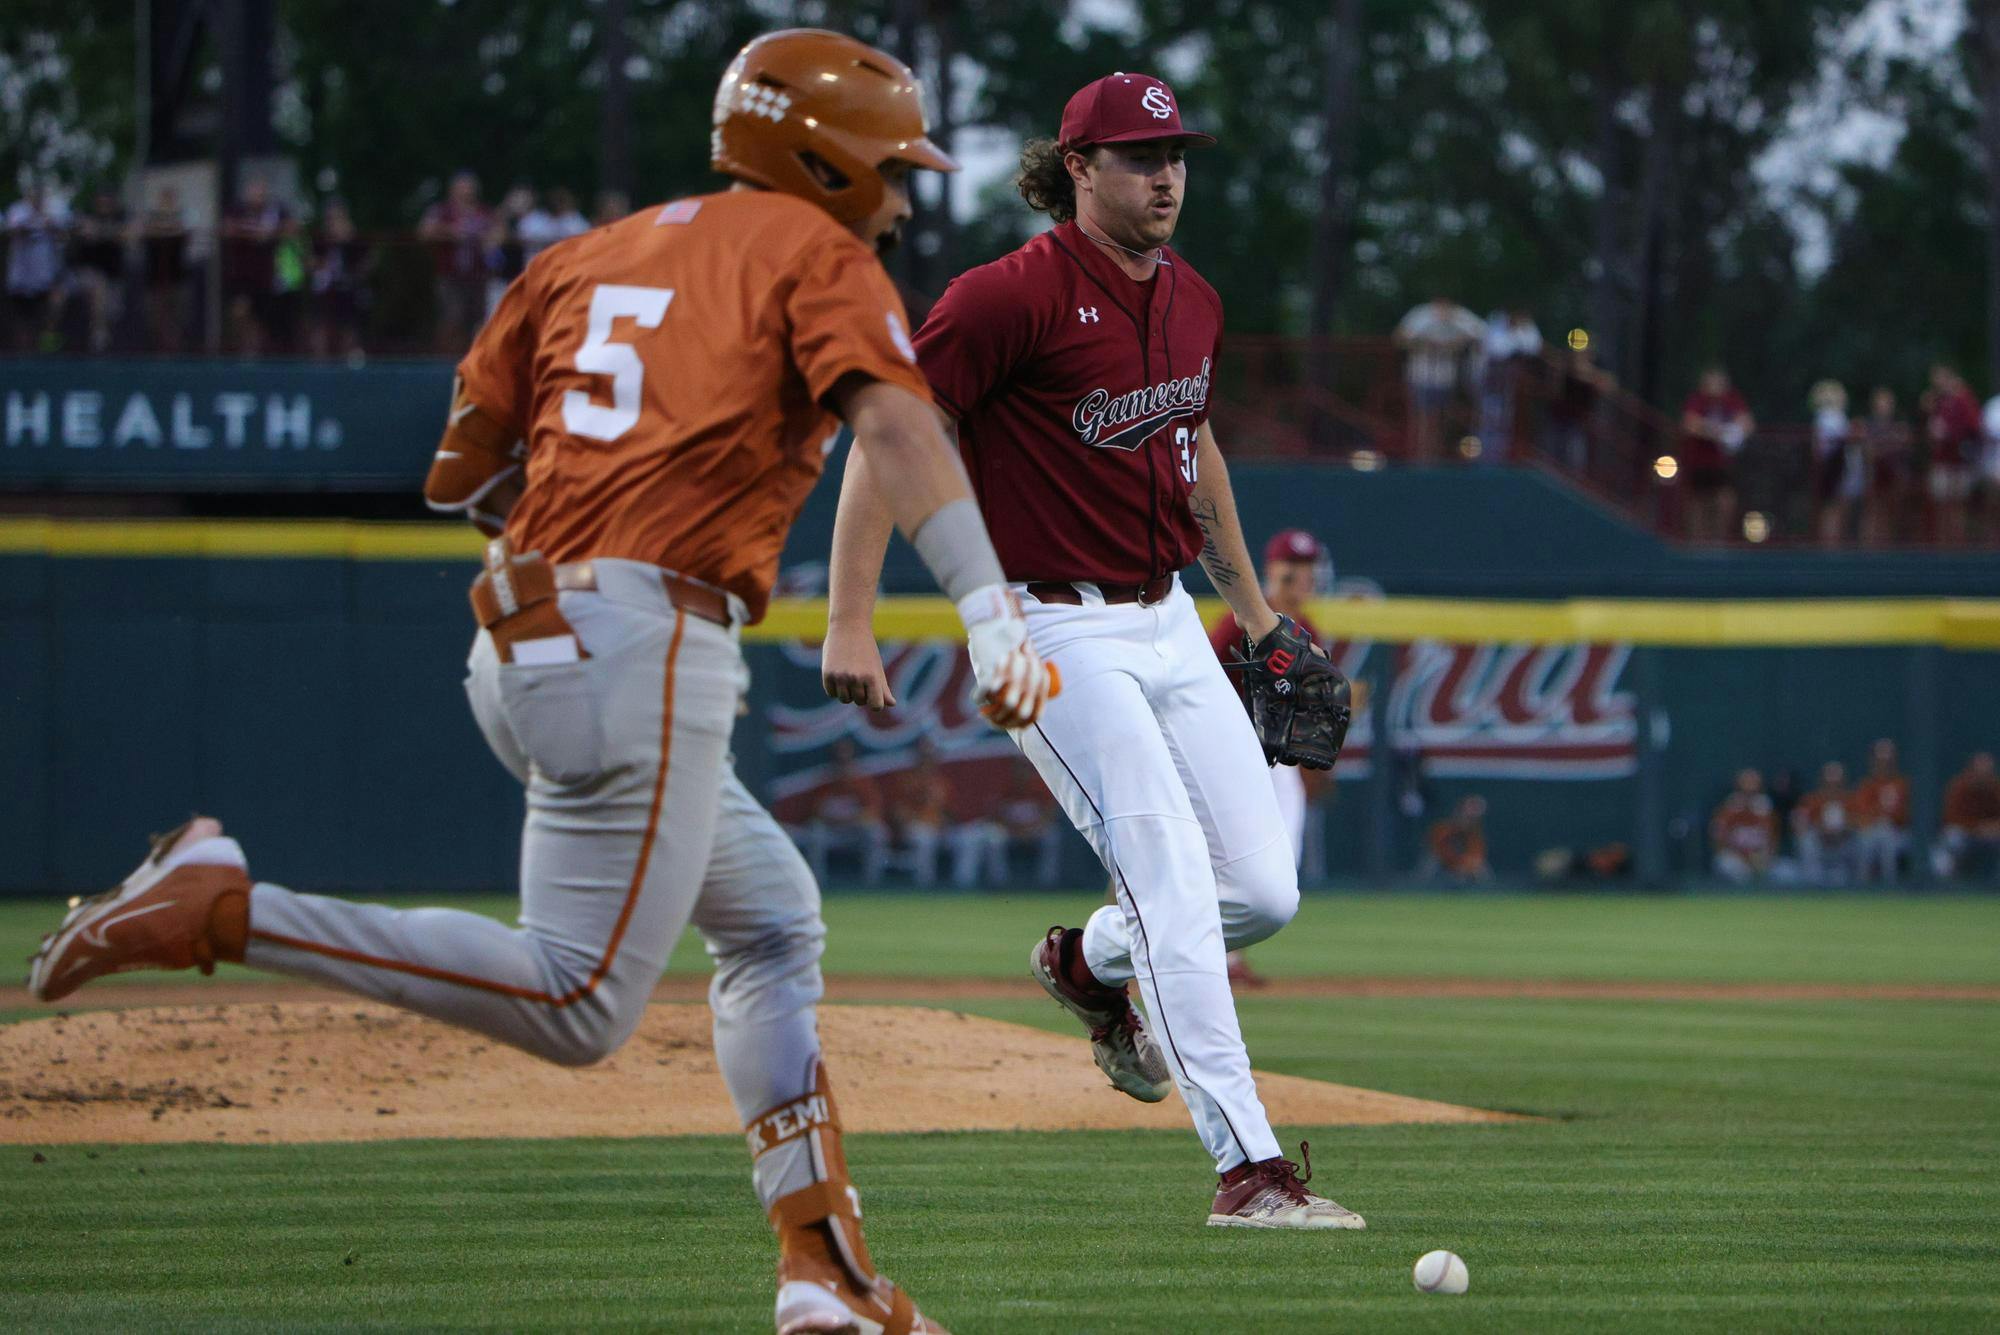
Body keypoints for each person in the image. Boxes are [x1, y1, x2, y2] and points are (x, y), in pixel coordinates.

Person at [28, 28, 1062, 1335]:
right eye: (889, 165)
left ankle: (823, 1266)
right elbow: (900, 423)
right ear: (821, 156)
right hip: (648, 641)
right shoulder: (814, 251)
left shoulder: (580, 253)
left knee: (774, 919)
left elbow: (460, 478)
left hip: (524, 643)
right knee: (578, 1002)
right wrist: (987, 606)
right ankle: (228, 907)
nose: (905, 195)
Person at [820, 72, 1363, 1231]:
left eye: (1175, 155)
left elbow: (1195, 451)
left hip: (1166, 615)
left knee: (1263, 890)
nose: (1164, 175)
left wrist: (1258, 622)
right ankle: (1248, 1171)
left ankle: (1088, 966)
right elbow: (889, 434)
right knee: (1171, 880)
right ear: (1076, 168)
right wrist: (847, 616)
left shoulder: (1192, 301)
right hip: (1049, 628)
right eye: (1135, 156)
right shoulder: (1001, 297)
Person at [1208, 527, 1335, 984]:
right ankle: (1208, 956)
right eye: (1292, 569)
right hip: (1232, 754)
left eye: (1307, 569)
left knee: (1281, 863)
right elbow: (1203, 682)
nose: (1302, 577)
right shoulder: (1239, 619)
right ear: (1272, 571)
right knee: (1229, 858)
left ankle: (1228, 957)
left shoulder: (1308, 627)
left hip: (1277, 758)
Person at [1393, 296, 1485, 462]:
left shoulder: (1460, 316)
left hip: (1448, 378)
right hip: (1421, 376)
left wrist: (1456, 344)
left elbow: (1481, 335)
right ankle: (1420, 457)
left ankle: (1435, 456)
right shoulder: (1420, 315)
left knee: (1442, 418)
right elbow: (1400, 338)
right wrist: (1425, 343)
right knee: (1422, 417)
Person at [419, 170, 492, 351]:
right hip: (450, 276)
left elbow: (499, 230)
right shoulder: (441, 211)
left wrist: (490, 239)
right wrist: (450, 232)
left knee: (477, 321)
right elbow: (424, 232)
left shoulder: (482, 212)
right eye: (462, 187)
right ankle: (446, 361)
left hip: (477, 276)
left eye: (469, 188)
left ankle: (473, 361)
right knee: (452, 319)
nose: (466, 192)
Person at [800, 738, 890, 886]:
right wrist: (837, 820)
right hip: (832, 831)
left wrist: (851, 819)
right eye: (839, 757)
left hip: (855, 831)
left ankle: (872, 883)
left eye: (846, 757)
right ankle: (818, 884)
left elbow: (872, 812)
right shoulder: (825, 782)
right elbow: (816, 813)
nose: (843, 761)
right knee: (815, 833)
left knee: (876, 832)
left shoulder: (863, 782)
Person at [1680, 367, 1754, 542]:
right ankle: (1697, 543)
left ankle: (1718, 541)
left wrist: (1735, 431)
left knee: (1724, 501)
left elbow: (1747, 423)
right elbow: (1690, 424)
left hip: (1721, 465)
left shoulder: (1732, 400)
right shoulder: (1697, 400)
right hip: (1698, 462)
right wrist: (1719, 432)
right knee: (1697, 502)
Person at [220, 178, 285, 356]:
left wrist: (268, 233)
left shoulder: (274, 213)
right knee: (239, 312)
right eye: (254, 191)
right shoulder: (237, 210)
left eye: (261, 192)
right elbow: (226, 229)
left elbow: (290, 228)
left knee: (262, 319)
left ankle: (256, 353)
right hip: (241, 274)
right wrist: (250, 231)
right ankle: (244, 351)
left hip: (265, 276)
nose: (257, 195)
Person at [5, 184, 70, 352]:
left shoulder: (54, 210)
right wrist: (34, 222)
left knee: (50, 309)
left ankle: (46, 346)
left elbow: (64, 235)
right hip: (21, 277)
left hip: (45, 275)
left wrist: (52, 226)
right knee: (23, 318)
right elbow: (14, 231)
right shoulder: (18, 210)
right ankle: (24, 353)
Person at [1922, 366, 1981, 546]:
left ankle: (1957, 545)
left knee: (1957, 505)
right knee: (1941, 504)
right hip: (1941, 460)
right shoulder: (1936, 400)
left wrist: (1950, 433)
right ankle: (1943, 544)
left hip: (1959, 460)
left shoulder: (1963, 398)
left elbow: (1974, 427)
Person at [68, 189, 129, 352]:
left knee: (112, 314)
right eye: (101, 202)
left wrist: (104, 232)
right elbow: (84, 232)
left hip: (114, 275)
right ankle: (97, 339)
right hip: (88, 272)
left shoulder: (121, 218)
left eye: (107, 202)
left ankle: (105, 345)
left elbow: (127, 234)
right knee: (98, 290)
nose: (104, 206)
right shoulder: (88, 218)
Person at [310, 199, 369, 360]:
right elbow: (312, 263)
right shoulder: (320, 238)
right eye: (331, 218)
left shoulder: (354, 239)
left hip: (348, 288)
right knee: (321, 327)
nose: (334, 222)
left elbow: (363, 265)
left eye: (338, 218)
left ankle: (347, 364)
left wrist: (348, 241)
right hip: (325, 288)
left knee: (349, 328)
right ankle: (320, 366)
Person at [1857, 387, 1913, 545]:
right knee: (1873, 510)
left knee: (1891, 511)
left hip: (1894, 474)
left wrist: (1885, 446)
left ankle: (1886, 545)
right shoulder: (1867, 424)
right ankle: (1869, 547)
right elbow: (1868, 450)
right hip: (1873, 474)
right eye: (1880, 402)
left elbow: (1904, 443)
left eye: (1887, 402)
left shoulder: (1898, 423)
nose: (1883, 405)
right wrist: (1889, 444)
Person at [138, 186, 191, 353]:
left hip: (177, 276)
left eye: (170, 199)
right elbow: (144, 230)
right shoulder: (151, 217)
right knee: (153, 317)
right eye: (164, 199)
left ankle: (176, 349)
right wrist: (164, 229)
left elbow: (184, 231)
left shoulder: (181, 216)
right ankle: (157, 350)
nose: (167, 203)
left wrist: (168, 228)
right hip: (154, 277)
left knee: (179, 316)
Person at [1849, 739, 1910, 884]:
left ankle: (1890, 887)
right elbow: (1860, 816)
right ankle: (1862, 886)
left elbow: (1909, 816)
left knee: (1887, 837)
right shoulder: (1866, 786)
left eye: (1888, 760)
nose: (1885, 764)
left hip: (1900, 834)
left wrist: (1890, 819)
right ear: (1874, 761)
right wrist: (1879, 815)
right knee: (1868, 840)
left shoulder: (1903, 784)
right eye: (1881, 760)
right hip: (1871, 833)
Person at [1809, 380, 1863, 545]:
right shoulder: (1826, 417)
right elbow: (1834, 441)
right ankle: (1830, 544)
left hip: (1839, 465)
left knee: (1837, 507)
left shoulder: (1831, 416)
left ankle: (1835, 542)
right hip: (1833, 465)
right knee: (1832, 507)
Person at [1710, 768, 1778, 884]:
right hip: (1736, 858)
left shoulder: (1765, 806)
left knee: (1786, 873)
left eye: (1753, 782)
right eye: (1746, 782)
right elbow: (1718, 838)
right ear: (1738, 784)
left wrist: (1764, 857)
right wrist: (1743, 858)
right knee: (1726, 864)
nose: (1750, 786)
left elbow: (1774, 838)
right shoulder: (1730, 806)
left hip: (1760, 858)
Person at [1939, 752, 2000, 881]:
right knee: (1952, 836)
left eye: (1987, 770)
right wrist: (1977, 828)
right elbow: (1951, 818)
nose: (1983, 774)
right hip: (1965, 833)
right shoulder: (1959, 786)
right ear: (1972, 770)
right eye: (1980, 770)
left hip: (1989, 836)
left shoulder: (1995, 788)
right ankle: (1949, 884)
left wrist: (1992, 827)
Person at [1792, 761, 1854, 885]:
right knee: (1806, 841)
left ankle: (1864, 887)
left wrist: (1842, 830)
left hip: (1843, 846)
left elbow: (1861, 824)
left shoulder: (1851, 800)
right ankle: (1811, 884)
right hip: (1819, 845)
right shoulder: (1812, 800)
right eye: (1829, 780)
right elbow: (1799, 824)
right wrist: (1820, 830)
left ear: (1843, 781)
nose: (1833, 784)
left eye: (1836, 781)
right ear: (1822, 780)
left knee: (1862, 841)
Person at [1424, 796, 1491, 882]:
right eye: (1465, 815)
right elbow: (1437, 850)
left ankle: (1482, 891)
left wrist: (1464, 865)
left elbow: (1476, 855)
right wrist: (1454, 861)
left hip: (1463, 865)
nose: (1467, 819)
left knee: (1482, 870)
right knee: (1431, 861)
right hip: (1444, 863)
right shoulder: (1443, 829)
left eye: (1471, 818)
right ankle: (1419, 888)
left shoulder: (1475, 833)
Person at [519, 186, 590, 261]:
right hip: (536, 266)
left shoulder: (578, 222)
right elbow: (520, 241)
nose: (557, 202)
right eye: (554, 198)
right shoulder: (533, 219)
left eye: (561, 199)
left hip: (567, 267)